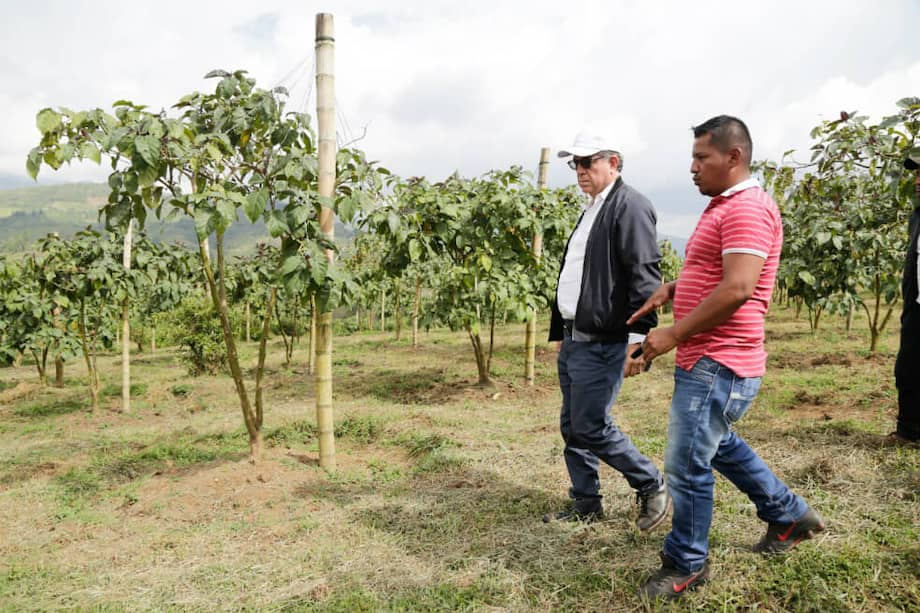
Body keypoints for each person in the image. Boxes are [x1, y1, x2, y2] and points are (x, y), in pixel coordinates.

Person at [629, 116, 825, 600]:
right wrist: (674, 289)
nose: (693, 168)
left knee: (687, 461)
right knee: (714, 445)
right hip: (711, 356)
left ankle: (686, 563)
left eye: (702, 157)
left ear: (733, 157)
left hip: (720, 358)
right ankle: (790, 515)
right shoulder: (725, 206)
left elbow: (739, 287)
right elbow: (721, 273)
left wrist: (672, 333)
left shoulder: (747, 209)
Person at [544, 131, 669, 532]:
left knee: (591, 424)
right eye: (575, 164)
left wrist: (640, 336)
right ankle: (585, 500)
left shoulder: (628, 205)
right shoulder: (593, 209)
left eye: (588, 162)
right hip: (577, 339)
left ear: (613, 162)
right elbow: (576, 273)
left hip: (606, 341)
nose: (580, 171)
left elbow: (644, 271)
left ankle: (651, 484)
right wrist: (562, 328)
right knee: (573, 425)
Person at [891, 153, 920, 445]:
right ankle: (909, 432)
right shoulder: (917, 217)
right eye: (917, 174)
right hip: (916, 309)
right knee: (908, 369)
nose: (918, 181)